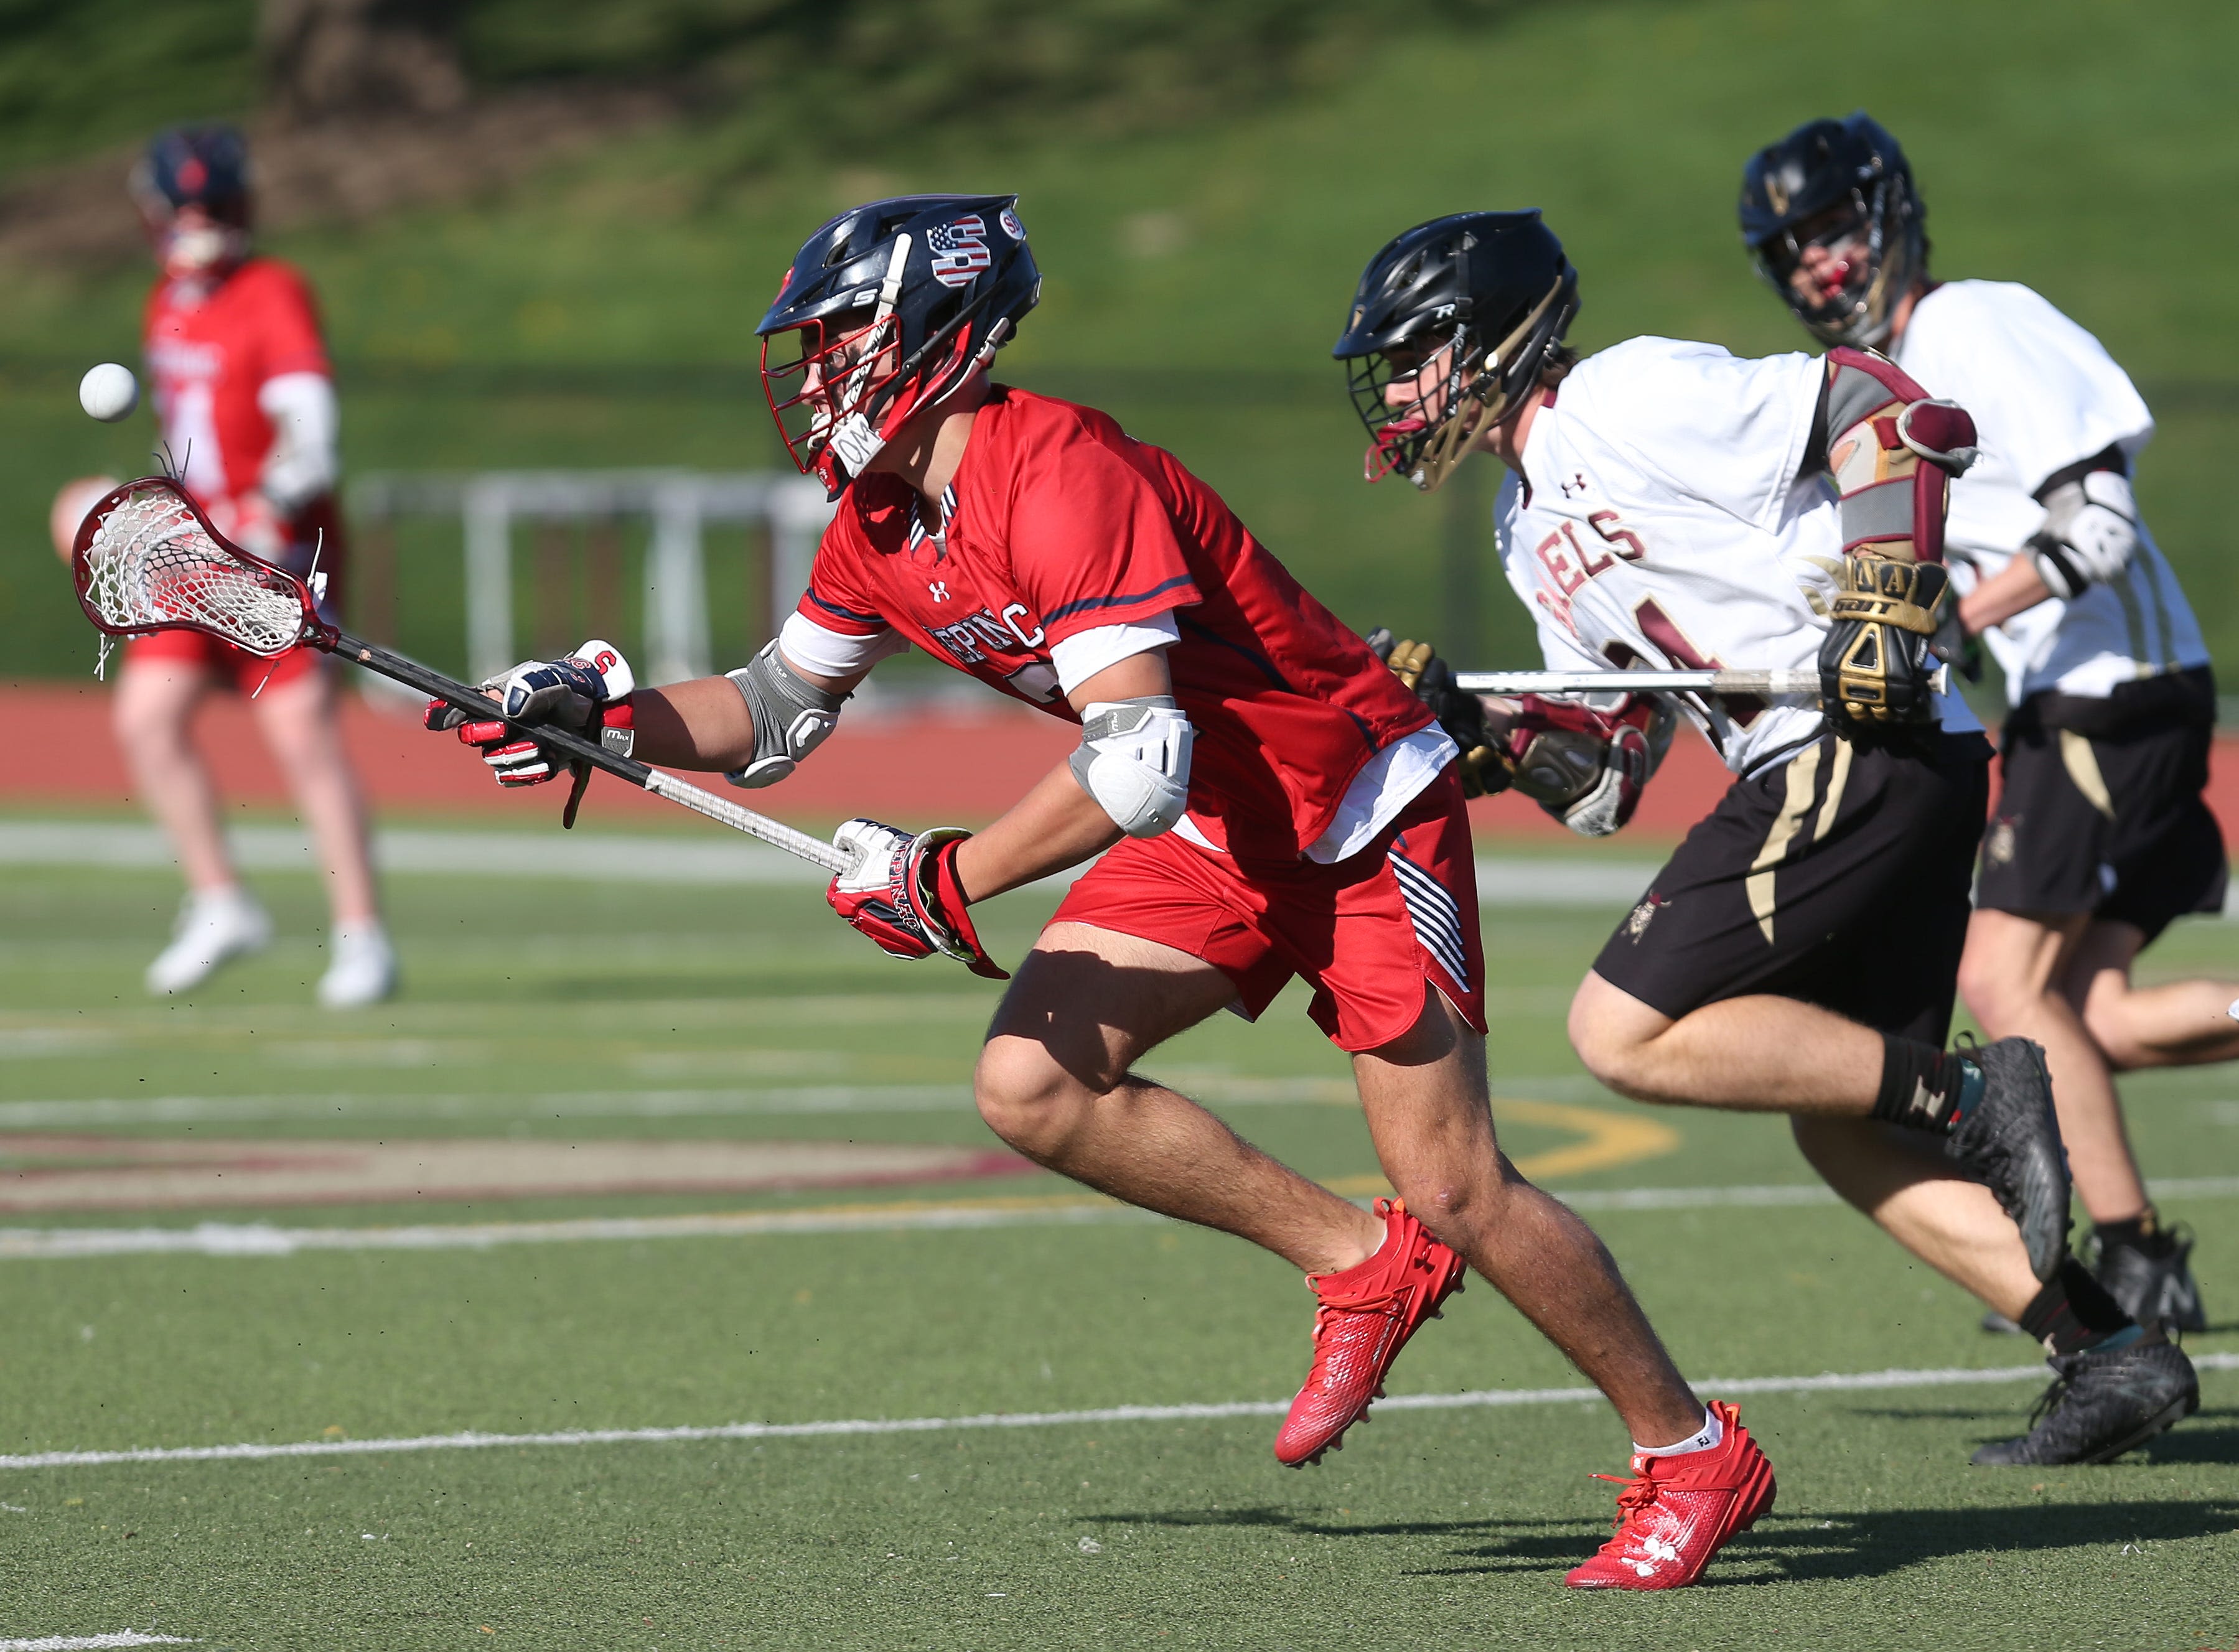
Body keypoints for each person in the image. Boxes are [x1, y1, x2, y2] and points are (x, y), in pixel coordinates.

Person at [429, 193, 1776, 1590]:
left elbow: (1134, 758)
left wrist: (952, 874)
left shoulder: (1059, 467)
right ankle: (1353, 1261)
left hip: (1353, 811)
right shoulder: (880, 516)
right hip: (1211, 822)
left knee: (1452, 1182)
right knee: (1032, 1084)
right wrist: (597, 711)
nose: (817, 367)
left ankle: (1688, 1449)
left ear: (932, 332)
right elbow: (772, 710)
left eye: (839, 335)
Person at [1333, 208, 2199, 1467]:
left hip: (1854, 744)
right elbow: (1607, 771)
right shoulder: (1520, 528)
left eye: (1415, 354)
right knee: (1840, 1119)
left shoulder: (1621, 396)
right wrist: (1473, 724)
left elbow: (1885, 405)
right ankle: (2106, 1348)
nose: (1399, 391)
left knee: (1614, 1028)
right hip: (1850, 768)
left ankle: (1974, 1089)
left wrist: (1883, 603)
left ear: (1490, 339)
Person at [1739, 113, 2230, 1335]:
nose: (1816, 263)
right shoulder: (1881, 384)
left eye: (1830, 229)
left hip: (2105, 693)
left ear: (1887, 211)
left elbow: (2096, 524)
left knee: (1997, 981)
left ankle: (2130, 1264)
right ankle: (2139, 1256)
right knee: (2092, 1013)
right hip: (2093, 695)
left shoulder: (1970, 322)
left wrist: (1948, 611)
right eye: (1790, 249)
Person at [79, 123, 395, 1006]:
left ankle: (362, 934)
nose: (197, 224)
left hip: (271, 560)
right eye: (182, 210)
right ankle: (221, 902)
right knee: (147, 722)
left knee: (301, 739)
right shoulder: (163, 301)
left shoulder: (272, 294)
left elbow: (311, 437)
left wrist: (274, 501)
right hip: (191, 559)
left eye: (212, 208)